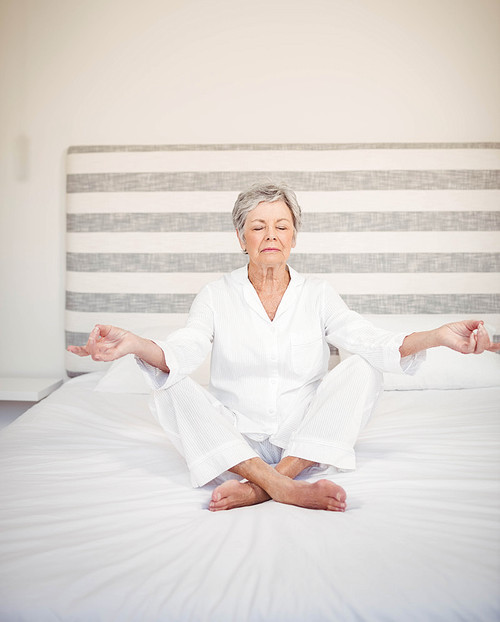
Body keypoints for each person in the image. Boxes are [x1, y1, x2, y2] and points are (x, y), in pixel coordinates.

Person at [68, 182, 499, 513]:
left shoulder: (319, 293)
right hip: (236, 437)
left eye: (281, 226)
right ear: (241, 238)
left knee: (365, 365)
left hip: (303, 439)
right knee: (171, 383)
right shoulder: (215, 294)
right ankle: (287, 490)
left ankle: (266, 485)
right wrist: (132, 344)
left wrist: (440, 336)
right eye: (258, 226)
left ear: (294, 236)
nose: (270, 235)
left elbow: (374, 341)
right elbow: (185, 348)